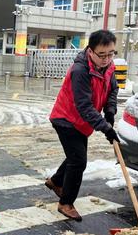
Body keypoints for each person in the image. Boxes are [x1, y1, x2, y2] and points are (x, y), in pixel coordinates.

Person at [46, 29, 119, 221]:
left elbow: (113, 90)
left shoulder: (110, 67)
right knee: (78, 160)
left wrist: (110, 112)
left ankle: (55, 181)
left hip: (83, 122)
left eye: (111, 54)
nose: (106, 59)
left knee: (75, 156)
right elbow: (84, 105)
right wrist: (105, 128)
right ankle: (66, 203)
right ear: (91, 51)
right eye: (101, 55)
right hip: (66, 119)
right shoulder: (81, 70)